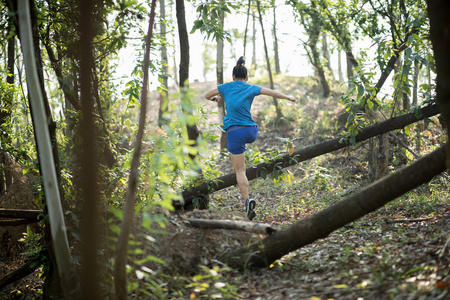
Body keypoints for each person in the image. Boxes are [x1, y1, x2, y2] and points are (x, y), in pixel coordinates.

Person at [205, 56, 297, 221]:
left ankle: (247, 201)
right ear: (247, 78)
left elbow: (207, 95)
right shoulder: (251, 87)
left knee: (240, 170)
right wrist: (288, 97)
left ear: (233, 77)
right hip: (251, 131)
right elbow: (274, 93)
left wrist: (215, 98)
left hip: (235, 132)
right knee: (242, 155)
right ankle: (248, 193)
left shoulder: (226, 87)